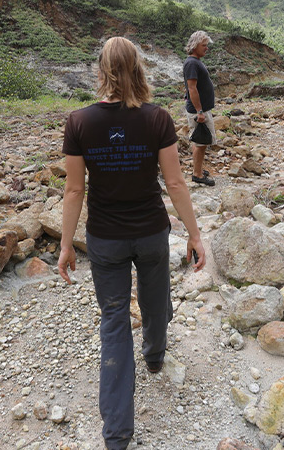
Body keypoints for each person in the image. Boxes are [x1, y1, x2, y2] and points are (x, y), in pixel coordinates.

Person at [58, 36, 207, 450]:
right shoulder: (157, 118)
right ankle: (155, 355)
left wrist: (66, 244)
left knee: (114, 319)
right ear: (139, 68)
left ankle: (117, 433)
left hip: (105, 237)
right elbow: (175, 182)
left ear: (101, 70)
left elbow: (74, 191)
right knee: (156, 295)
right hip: (151, 231)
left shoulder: (79, 121)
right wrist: (194, 234)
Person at [183, 30, 216, 186]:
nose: (206, 48)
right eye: (204, 45)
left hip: (201, 109)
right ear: (195, 45)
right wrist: (199, 111)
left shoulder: (195, 61)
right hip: (198, 111)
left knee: (202, 141)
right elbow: (192, 88)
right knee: (200, 142)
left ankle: (199, 169)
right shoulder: (191, 63)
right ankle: (197, 174)